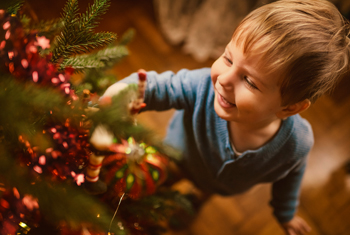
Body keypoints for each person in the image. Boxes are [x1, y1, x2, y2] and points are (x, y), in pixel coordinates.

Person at [103, 0, 350, 234]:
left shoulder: (297, 143)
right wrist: (116, 97)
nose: (224, 79)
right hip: (175, 155)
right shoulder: (201, 86)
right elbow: (157, 87)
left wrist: (285, 214)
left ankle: (193, 201)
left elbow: (291, 177)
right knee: (157, 181)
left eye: (250, 81)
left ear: (290, 108)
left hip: (221, 187)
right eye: (228, 58)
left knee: (204, 192)